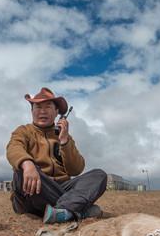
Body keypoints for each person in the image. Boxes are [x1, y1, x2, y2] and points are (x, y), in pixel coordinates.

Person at [6, 87, 107, 224]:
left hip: (59, 191)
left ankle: (62, 211)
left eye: (48, 107)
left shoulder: (65, 137)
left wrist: (65, 141)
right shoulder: (23, 131)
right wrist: (27, 164)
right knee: (20, 169)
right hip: (34, 192)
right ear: (32, 111)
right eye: (38, 107)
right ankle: (76, 210)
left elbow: (76, 170)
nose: (42, 111)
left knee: (99, 175)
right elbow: (14, 148)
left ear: (56, 112)